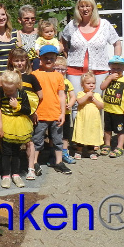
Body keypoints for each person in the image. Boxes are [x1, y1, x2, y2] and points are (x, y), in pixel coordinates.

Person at [61, 0, 122, 96]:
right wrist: (68, 56)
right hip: (75, 72)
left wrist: (116, 62)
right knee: (77, 101)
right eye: (82, 6)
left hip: (99, 72)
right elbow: (62, 42)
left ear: (93, 7)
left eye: (88, 6)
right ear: (78, 9)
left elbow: (117, 43)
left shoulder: (104, 25)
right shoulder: (72, 25)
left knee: (97, 100)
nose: (85, 9)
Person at [32, 45, 71, 175]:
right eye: (46, 58)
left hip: (55, 114)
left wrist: (62, 113)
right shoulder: (35, 75)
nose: (49, 60)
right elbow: (32, 96)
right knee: (37, 140)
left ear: (55, 59)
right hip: (40, 114)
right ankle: (34, 163)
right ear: (40, 59)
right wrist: (34, 112)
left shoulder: (59, 76)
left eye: (52, 58)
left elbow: (61, 95)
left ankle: (59, 162)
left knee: (58, 140)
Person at [7, 47, 42, 180]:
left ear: (26, 61)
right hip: (10, 114)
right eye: (16, 60)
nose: (19, 63)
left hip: (27, 113)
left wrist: (33, 110)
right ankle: (11, 169)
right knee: (11, 142)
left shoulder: (31, 77)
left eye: (22, 60)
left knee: (29, 141)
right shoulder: (8, 76)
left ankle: (31, 168)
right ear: (11, 61)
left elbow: (40, 95)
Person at [0, 70, 33, 189]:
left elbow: (28, 110)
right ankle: (6, 175)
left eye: (10, 90)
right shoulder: (0, 92)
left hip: (19, 125)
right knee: (6, 152)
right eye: (6, 90)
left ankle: (16, 174)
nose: (8, 93)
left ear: (17, 85)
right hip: (5, 124)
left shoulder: (22, 93)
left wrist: (17, 106)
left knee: (16, 151)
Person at [99, 56, 124, 158]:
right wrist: (109, 78)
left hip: (119, 111)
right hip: (108, 109)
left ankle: (119, 146)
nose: (116, 71)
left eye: (119, 68)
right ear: (110, 67)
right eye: (114, 68)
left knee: (120, 130)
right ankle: (107, 145)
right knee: (107, 129)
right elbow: (102, 87)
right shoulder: (108, 78)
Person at [71, 73, 104, 160]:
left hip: (93, 120)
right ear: (82, 85)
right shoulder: (80, 93)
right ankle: (79, 151)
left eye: (93, 83)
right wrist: (87, 95)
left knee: (92, 134)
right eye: (88, 83)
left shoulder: (97, 95)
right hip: (83, 119)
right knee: (81, 133)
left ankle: (91, 151)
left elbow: (101, 106)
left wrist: (94, 99)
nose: (91, 85)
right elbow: (80, 102)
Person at [54, 56, 77, 165]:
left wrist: (70, 104)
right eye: (57, 69)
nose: (60, 71)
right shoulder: (52, 80)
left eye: (63, 69)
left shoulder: (67, 82)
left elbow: (73, 96)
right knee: (54, 135)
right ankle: (53, 155)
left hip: (66, 113)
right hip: (54, 113)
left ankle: (64, 153)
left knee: (65, 135)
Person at [13, 4, 39, 69]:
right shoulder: (16, 34)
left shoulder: (40, 32)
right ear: (20, 20)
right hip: (23, 68)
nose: (30, 21)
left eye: (33, 19)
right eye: (26, 19)